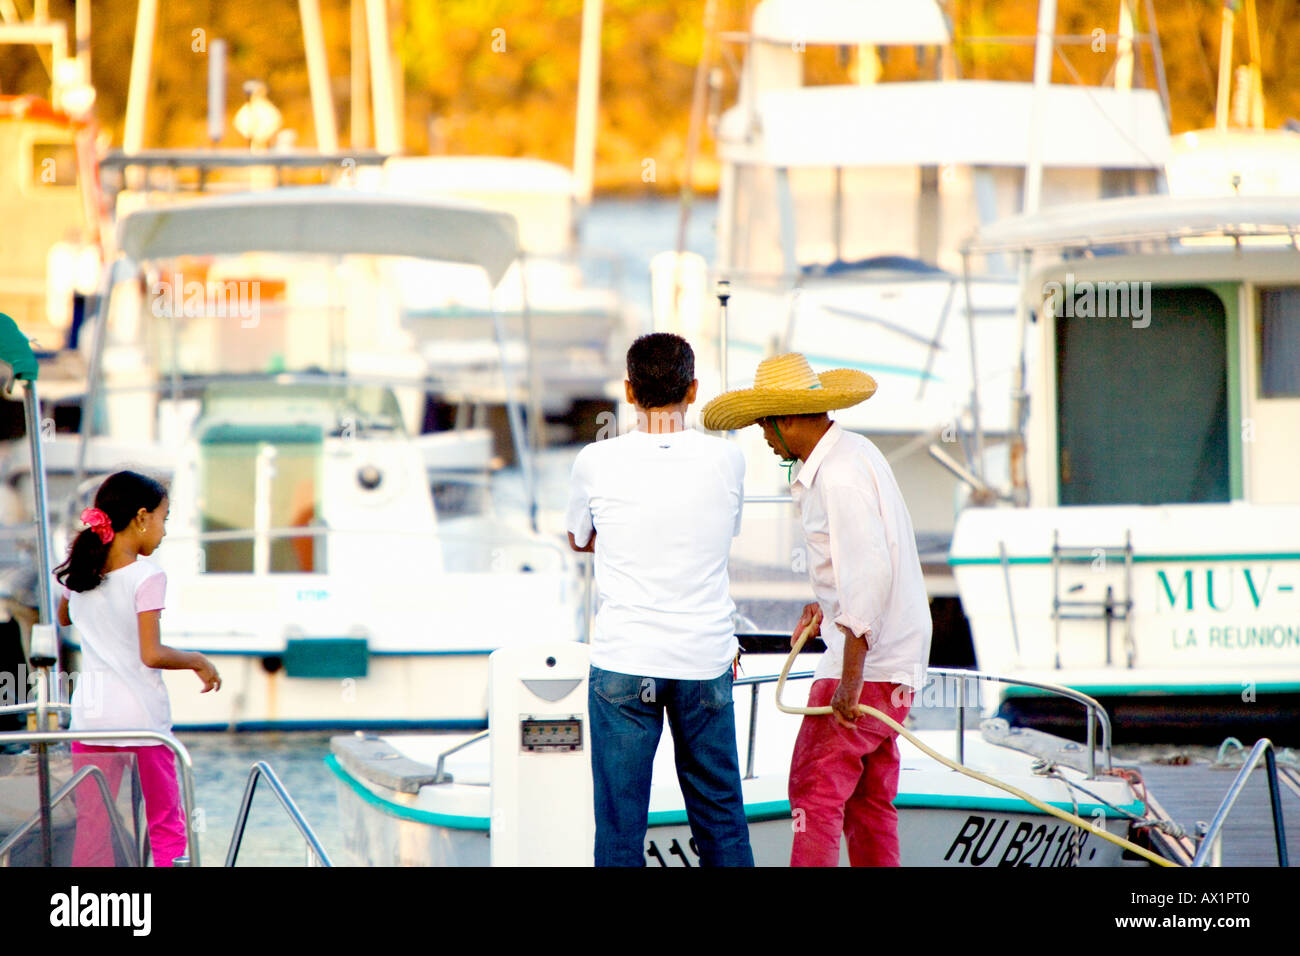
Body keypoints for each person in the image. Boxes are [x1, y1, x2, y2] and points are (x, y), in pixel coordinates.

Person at [700, 353, 932, 867]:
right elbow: (865, 562)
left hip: (866, 665)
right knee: (870, 801)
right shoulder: (854, 453)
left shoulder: (838, 476)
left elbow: (869, 575)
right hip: (894, 658)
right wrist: (827, 607)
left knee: (814, 793)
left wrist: (850, 677)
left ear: (785, 421)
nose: (761, 436)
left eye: (763, 423)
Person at [565, 332, 753, 867]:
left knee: (621, 827)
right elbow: (724, 530)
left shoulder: (594, 461)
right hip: (703, 660)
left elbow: (579, 538)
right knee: (721, 819)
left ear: (628, 391)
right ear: (692, 390)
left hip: (625, 661)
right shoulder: (729, 460)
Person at [54, 470, 221, 866]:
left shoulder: (79, 571)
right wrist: (197, 660)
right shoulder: (147, 576)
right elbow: (152, 653)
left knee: (93, 826)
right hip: (141, 720)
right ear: (142, 517)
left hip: (91, 718)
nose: (164, 532)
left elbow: (64, 618)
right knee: (165, 823)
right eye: (164, 519)